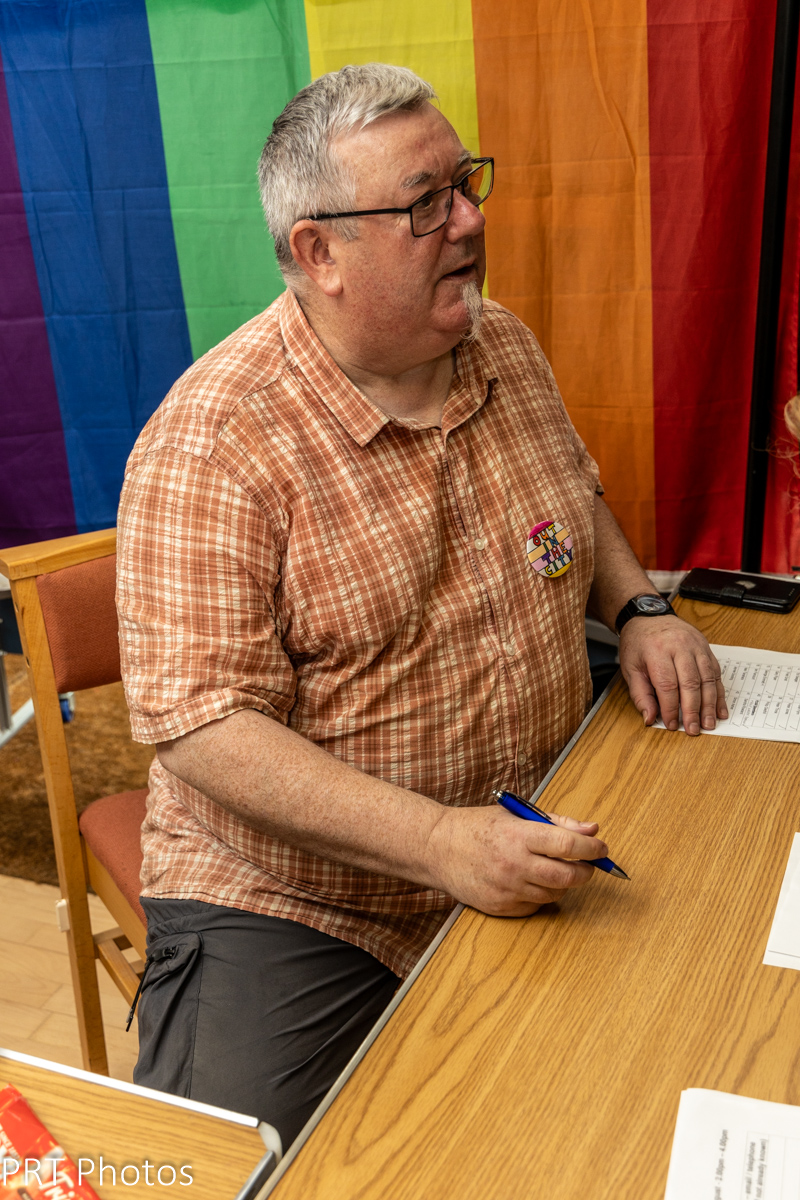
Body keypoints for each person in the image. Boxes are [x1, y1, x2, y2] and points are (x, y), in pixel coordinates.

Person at [116, 63, 726, 1148]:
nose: (470, 221)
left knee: (665, 1069)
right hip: (305, 898)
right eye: (423, 204)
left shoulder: (504, 346)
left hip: (536, 813)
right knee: (229, 1165)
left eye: (465, 183)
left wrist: (637, 607)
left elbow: (571, 500)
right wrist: (438, 841)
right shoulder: (213, 441)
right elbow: (202, 728)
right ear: (318, 253)